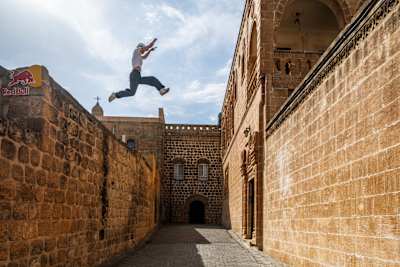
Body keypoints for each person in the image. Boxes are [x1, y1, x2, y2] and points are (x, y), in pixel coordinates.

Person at [108, 38, 169, 102]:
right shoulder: (136, 50)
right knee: (152, 79)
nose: (144, 51)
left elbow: (145, 57)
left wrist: (150, 51)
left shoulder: (139, 56)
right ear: (141, 47)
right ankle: (115, 94)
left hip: (137, 77)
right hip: (135, 74)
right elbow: (146, 48)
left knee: (133, 92)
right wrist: (153, 42)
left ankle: (115, 95)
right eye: (143, 49)